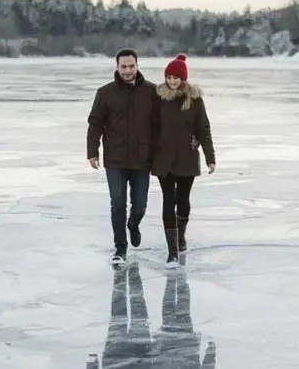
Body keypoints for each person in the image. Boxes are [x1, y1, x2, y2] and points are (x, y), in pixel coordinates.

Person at [87, 48, 160, 264]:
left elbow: (163, 124)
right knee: (117, 203)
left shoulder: (151, 91)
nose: (128, 70)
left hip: (142, 159)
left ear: (137, 66)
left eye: (131, 66)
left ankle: (133, 224)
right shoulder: (105, 93)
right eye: (123, 67)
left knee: (140, 205)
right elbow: (95, 124)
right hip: (115, 159)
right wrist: (92, 152)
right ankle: (120, 248)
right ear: (117, 67)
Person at [151, 54, 216, 267]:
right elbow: (149, 127)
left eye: (176, 77)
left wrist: (210, 157)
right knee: (168, 201)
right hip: (163, 159)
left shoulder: (195, 100)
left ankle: (180, 238)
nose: (172, 81)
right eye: (169, 77)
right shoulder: (158, 98)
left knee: (183, 200)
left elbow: (203, 128)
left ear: (183, 78)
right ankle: (172, 252)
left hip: (187, 157)